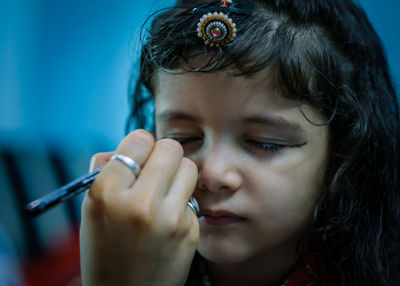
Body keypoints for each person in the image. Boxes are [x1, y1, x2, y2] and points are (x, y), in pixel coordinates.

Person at [80, 0, 400, 285]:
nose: (212, 175)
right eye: (182, 138)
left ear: (342, 157)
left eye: (265, 143)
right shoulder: (88, 258)